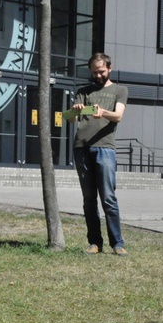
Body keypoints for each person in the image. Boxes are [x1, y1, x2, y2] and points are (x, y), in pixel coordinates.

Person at [68, 52, 128, 257]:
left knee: (108, 198)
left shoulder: (120, 90)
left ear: (109, 68)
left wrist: (102, 112)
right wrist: (76, 110)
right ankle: (95, 242)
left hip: (105, 148)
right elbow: (69, 119)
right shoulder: (83, 91)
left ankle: (117, 243)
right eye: (94, 72)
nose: (98, 75)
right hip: (82, 148)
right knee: (88, 199)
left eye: (101, 71)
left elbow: (118, 116)